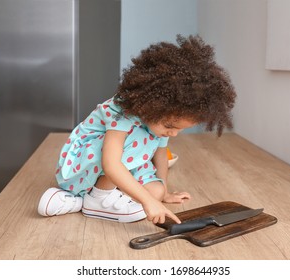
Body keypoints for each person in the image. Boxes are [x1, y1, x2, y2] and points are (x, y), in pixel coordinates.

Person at [37, 35, 236, 224]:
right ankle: (95, 200)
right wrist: (148, 203)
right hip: (86, 164)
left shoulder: (161, 122)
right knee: (137, 161)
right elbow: (111, 164)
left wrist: (163, 194)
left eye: (179, 130)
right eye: (169, 127)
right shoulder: (121, 111)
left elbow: (160, 155)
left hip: (127, 166)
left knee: (155, 190)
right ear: (153, 105)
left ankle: (85, 201)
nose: (173, 133)